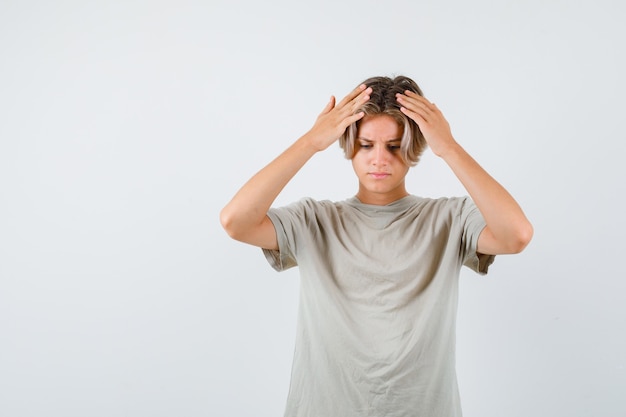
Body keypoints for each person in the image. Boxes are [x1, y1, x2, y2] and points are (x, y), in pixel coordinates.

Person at [220, 75, 533, 417]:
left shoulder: (449, 218)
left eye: (394, 146)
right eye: (367, 145)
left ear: (414, 147)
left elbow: (516, 235)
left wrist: (449, 148)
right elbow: (236, 221)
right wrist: (311, 142)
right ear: (350, 145)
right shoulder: (315, 221)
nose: (379, 159)